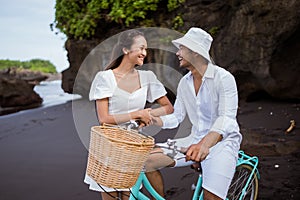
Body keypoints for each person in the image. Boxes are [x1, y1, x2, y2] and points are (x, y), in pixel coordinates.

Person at [146, 27, 243, 200]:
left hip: (222, 144)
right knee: (146, 160)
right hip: (192, 141)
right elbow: (177, 117)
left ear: (196, 52)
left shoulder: (224, 78)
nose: (177, 53)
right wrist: (153, 119)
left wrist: (205, 144)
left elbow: (227, 118)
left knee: (211, 198)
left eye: (182, 48)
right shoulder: (185, 82)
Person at [84, 29, 174, 200]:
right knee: (110, 195)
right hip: (110, 145)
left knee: (129, 196)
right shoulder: (105, 78)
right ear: (126, 50)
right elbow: (104, 119)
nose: (144, 53)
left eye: (146, 49)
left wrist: (148, 115)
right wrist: (137, 114)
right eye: (141, 48)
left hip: (134, 145)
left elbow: (168, 107)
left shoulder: (147, 77)